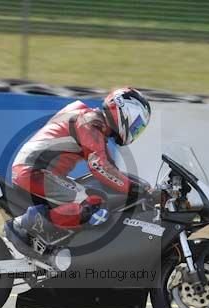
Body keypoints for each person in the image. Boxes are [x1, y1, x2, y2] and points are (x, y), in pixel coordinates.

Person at [10, 87, 152, 242]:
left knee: (99, 195)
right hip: (34, 172)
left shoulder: (93, 122)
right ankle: (27, 223)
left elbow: (110, 168)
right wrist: (133, 188)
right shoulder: (89, 122)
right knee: (91, 204)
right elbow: (100, 167)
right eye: (136, 124)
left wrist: (137, 186)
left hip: (37, 171)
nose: (135, 130)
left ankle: (55, 240)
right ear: (124, 112)